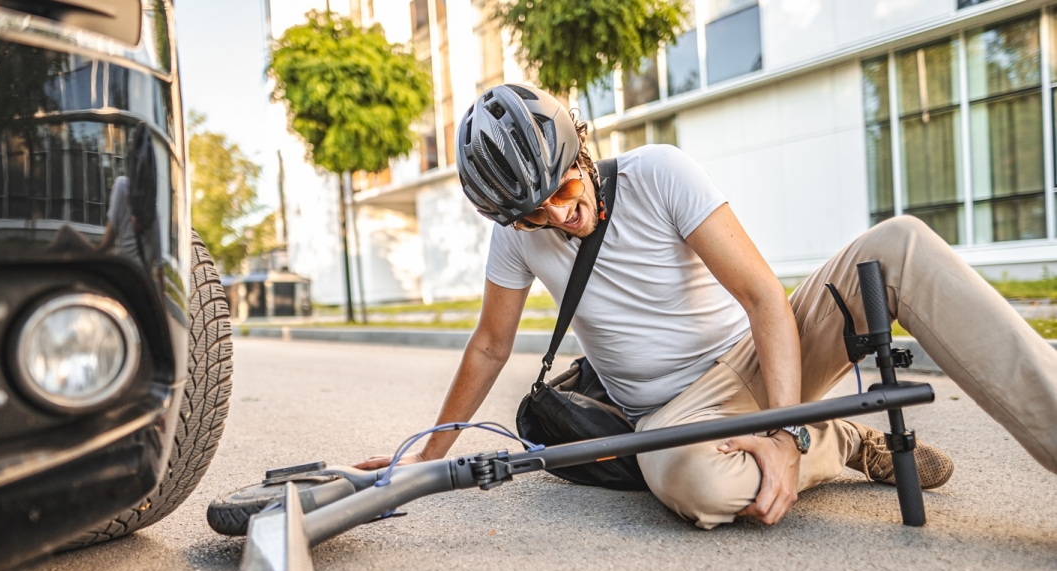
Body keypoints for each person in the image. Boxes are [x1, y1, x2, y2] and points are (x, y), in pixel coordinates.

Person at [358, 83, 1057, 530]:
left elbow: (761, 296)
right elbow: (488, 347)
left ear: (579, 148)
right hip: (675, 415)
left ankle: (804, 435)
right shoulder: (517, 241)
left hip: (764, 351)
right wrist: (423, 458)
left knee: (899, 242)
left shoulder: (658, 172)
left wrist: (782, 434)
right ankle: (840, 439)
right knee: (693, 487)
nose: (560, 214)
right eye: (534, 213)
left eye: (563, 188)